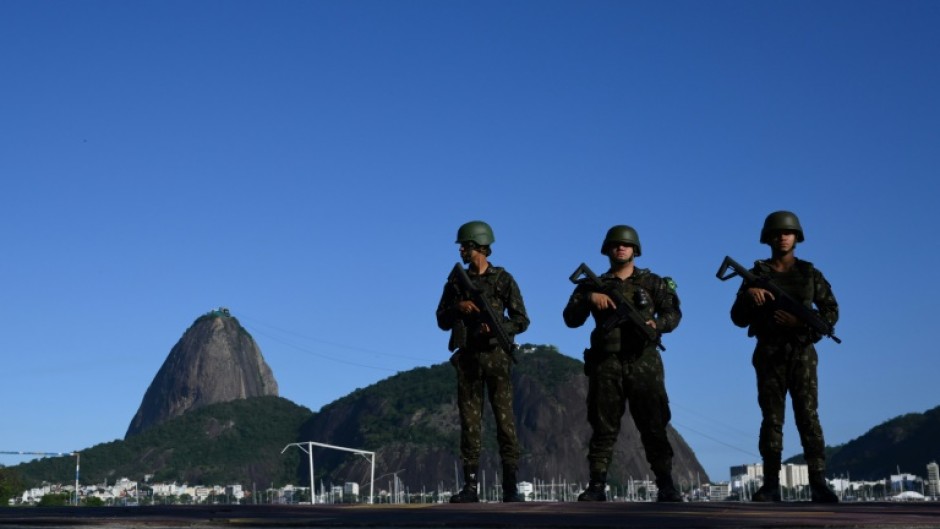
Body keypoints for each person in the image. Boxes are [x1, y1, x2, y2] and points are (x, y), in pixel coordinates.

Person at [564, 225, 683, 502]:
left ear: (635, 250)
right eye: (615, 244)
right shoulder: (592, 284)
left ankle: (666, 485)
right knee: (603, 426)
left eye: (626, 245)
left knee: (653, 425)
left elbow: (673, 313)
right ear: (607, 249)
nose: (621, 248)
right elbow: (570, 319)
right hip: (606, 362)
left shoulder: (653, 283)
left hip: (643, 361)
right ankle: (596, 485)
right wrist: (588, 298)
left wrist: (657, 324)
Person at [729, 210, 840, 503]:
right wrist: (748, 296)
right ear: (768, 238)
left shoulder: (810, 274)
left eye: (787, 233)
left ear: (797, 237)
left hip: (802, 353)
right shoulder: (757, 275)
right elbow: (737, 318)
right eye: (777, 233)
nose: (782, 237)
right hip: (769, 352)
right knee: (771, 419)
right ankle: (770, 484)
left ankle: (818, 481)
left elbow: (830, 314)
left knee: (808, 417)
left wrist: (800, 323)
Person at [436, 220, 530, 503]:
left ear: (478, 246)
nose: (461, 250)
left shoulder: (503, 280)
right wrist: (458, 307)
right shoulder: (456, 282)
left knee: (505, 422)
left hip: (496, 358)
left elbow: (522, 320)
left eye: (465, 246)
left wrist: (499, 327)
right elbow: (441, 319)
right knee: (469, 423)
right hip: (468, 359)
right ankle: (470, 486)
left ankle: (511, 486)